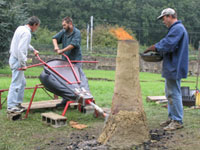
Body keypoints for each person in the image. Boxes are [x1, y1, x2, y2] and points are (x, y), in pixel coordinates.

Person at [144, 8, 189, 131]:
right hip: (173, 65)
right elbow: (170, 46)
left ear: (169, 16)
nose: (163, 21)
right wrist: (158, 50)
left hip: (175, 66)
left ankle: (177, 120)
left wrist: (155, 47)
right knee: (170, 93)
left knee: (174, 93)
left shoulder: (177, 29)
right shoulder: (176, 29)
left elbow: (168, 43)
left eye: (164, 19)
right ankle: (172, 117)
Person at [52, 16, 89, 107]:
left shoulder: (77, 33)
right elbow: (54, 38)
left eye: (64, 25)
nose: (63, 27)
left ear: (70, 24)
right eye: (63, 25)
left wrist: (62, 51)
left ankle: (83, 101)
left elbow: (73, 45)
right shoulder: (64, 32)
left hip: (75, 61)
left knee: (78, 81)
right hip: (65, 61)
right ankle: (65, 101)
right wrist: (56, 47)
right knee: (66, 81)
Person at [7, 16, 40, 113]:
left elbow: (24, 44)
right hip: (17, 60)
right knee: (16, 83)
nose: (36, 29)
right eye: (37, 26)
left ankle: (17, 103)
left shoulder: (20, 28)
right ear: (34, 25)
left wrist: (33, 50)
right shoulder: (27, 33)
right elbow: (21, 49)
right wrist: (23, 64)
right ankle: (11, 106)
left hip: (13, 58)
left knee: (22, 83)